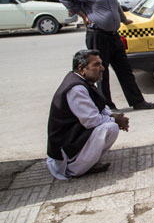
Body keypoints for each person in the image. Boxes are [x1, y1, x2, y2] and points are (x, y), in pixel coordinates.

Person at [59, 0, 154, 111]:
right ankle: (106, 106)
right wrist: (83, 16)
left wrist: (124, 20)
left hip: (113, 35)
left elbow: (116, 6)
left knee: (125, 70)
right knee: (100, 72)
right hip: (97, 35)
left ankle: (138, 102)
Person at [46, 50, 130, 180]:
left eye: (101, 64)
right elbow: (91, 120)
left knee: (110, 124)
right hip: (65, 153)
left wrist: (115, 116)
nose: (102, 68)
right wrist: (115, 119)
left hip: (74, 139)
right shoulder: (76, 89)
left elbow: (100, 108)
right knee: (109, 128)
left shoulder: (84, 81)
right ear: (81, 69)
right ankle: (75, 168)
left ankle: (87, 162)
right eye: (96, 65)